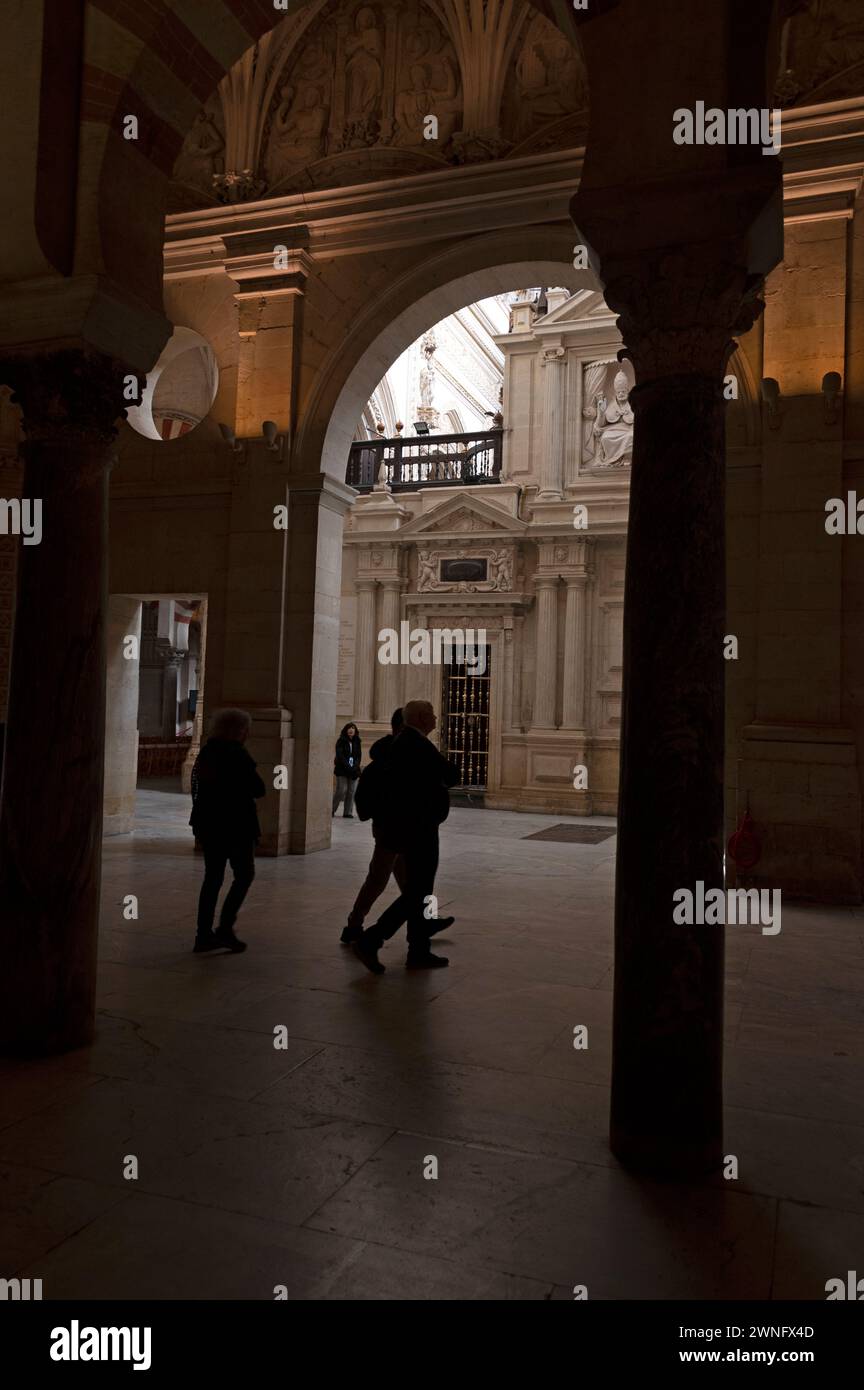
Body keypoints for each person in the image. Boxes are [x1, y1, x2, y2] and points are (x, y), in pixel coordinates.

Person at [352, 699, 458, 974]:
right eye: (432, 714)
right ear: (422, 718)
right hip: (419, 829)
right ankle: (372, 939)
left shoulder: (402, 743)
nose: (436, 718)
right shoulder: (417, 743)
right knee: (416, 893)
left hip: (409, 827)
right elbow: (451, 775)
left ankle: (418, 950)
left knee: (419, 893)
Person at [189, 707, 266, 955]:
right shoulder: (237, 754)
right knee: (244, 875)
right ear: (238, 730)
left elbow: (198, 786)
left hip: (209, 824)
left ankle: (203, 935)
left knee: (212, 878)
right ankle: (224, 927)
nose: (248, 733)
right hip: (236, 826)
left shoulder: (208, 751)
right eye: (246, 729)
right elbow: (258, 788)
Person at [333, 722, 362, 817]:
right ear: (346, 730)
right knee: (341, 790)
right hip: (342, 769)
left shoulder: (357, 741)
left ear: (355, 731)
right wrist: (348, 766)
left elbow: (358, 756)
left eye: (353, 728)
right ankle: (332, 809)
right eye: (349, 728)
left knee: (351, 791)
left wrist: (355, 766)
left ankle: (347, 812)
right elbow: (340, 756)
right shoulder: (341, 741)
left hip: (353, 770)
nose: (351, 729)